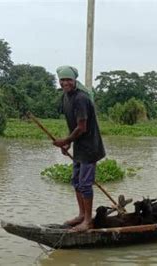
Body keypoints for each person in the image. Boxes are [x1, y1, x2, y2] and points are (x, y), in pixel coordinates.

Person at [52, 65, 106, 232]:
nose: (65, 83)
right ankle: (82, 215)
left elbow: (82, 127)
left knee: (85, 184)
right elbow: (73, 125)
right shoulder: (65, 97)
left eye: (68, 79)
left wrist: (65, 140)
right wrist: (68, 143)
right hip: (79, 147)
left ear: (74, 80)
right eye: (62, 80)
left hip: (90, 147)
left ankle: (88, 221)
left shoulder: (80, 98)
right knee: (76, 181)